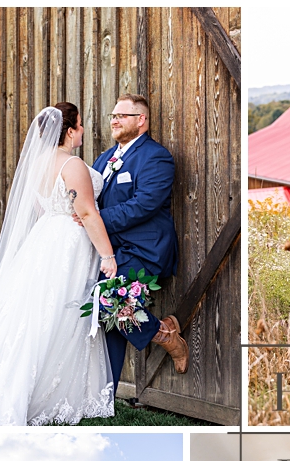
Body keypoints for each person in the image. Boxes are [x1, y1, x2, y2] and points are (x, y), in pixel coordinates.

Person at [0, 103, 116, 425]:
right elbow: (86, 212)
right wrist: (108, 256)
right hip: (68, 241)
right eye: (81, 124)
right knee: (59, 310)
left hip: (44, 237)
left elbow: (41, 208)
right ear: (70, 130)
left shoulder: (37, 164)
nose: (84, 130)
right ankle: (47, 388)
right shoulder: (71, 164)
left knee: (36, 310)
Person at [90, 93, 189, 383]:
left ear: (141, 121)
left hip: (145, 248)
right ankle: (106, 394)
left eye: (122, 115)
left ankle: (167, 336)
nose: (115, 120)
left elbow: (144, 205)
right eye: (113, 116)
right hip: (109, 250)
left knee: (110, 300)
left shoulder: (156, 157)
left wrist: (95, 221)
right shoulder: (104, 159)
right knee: (107, 320)